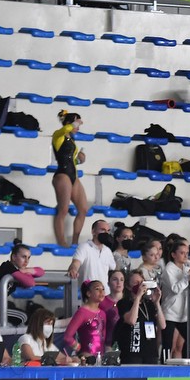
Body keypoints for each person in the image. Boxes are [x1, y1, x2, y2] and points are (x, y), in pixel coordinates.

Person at [161, 237, 190, 358]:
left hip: (184, 313)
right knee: (167, 346)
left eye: (187, 253)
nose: (185, 256)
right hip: (170, 313)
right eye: (182, 253)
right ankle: (163, 367)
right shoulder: (169, 269)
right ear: (173, 254)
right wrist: (188, 276)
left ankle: (188, 365)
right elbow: (175, 289)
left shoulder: (187, 267)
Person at [51, 110, 88, 246]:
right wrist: (74, 123)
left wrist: (79, 160)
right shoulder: (58, 135)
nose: (78, 127)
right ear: (68, 123)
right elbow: (64, 130)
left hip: (73, 175)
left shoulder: (72, 140)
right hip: (62, 175)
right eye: (76, 124)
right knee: (63, 209)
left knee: (83, 209)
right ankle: (62, 242)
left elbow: (71, 161)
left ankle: (75, 242)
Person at [115, 269, 165, 364]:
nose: (140, 285)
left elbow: (162, 325)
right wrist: (137, 297)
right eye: (136, 283)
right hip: (132, 352)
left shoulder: (149, 303)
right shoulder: (124, 303)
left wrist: (157, 303)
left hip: (150, 352)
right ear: (128, 286)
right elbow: (132, 320)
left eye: (142, 282)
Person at [63, 280, 108, 362]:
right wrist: (78, 347)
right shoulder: (82, 312)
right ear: (88, 293)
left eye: (103, 289)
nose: (101, 292)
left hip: (100, 358)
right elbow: (67, 336)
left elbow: (103, 337)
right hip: (86, 357)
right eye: (97, 289)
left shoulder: (102, 313)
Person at [68, 220, 115, 286]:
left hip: (104, 291)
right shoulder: (84, 247)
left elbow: (113, 269)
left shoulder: (108, 251)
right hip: (88, 290)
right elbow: (75, 263)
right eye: (103, 230)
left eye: (108, 231)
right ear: (93, 232)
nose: (106, 233)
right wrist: (73, 269)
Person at [99, 269, 126, 347]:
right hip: (108, 344)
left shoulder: (129, 301)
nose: (119, 282)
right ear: (108, 283)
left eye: (121, 280)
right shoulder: (101, 302)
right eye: (115, 279)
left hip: (126, 343)